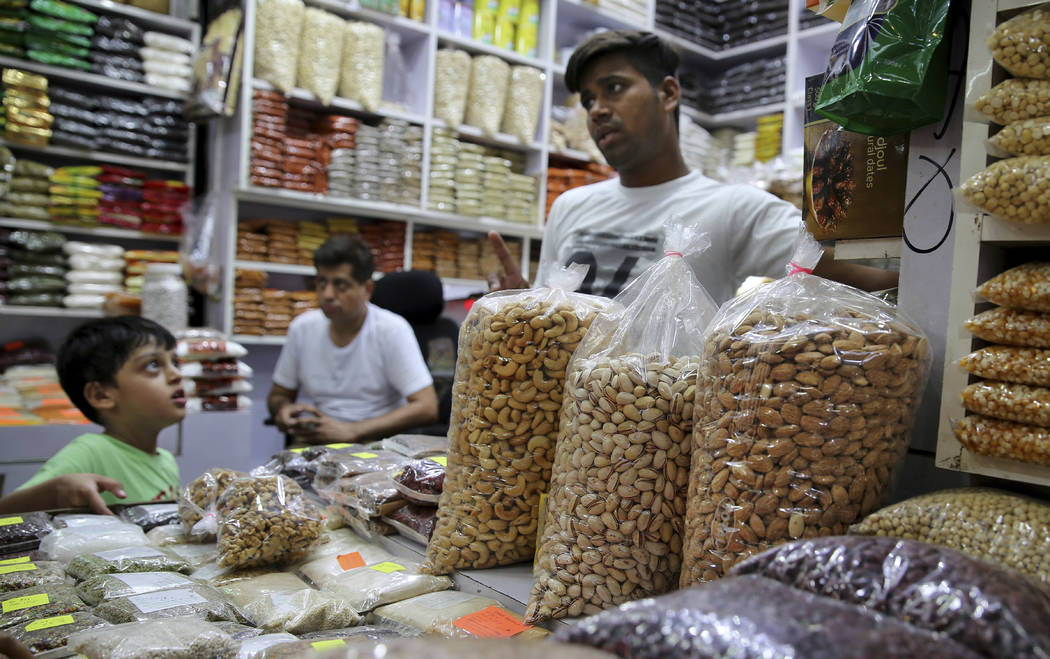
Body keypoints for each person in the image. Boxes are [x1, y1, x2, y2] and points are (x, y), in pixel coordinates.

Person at [488, 30, 897, 303]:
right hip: (576, 424)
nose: (597, 110)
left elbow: (868, 275)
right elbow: (552, 315)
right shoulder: (570, 206)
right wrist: (517, 302)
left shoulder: (735, 208)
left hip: (670, 422)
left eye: (614, 88)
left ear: (668, 94)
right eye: (588, 100)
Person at [0, 316, 185, 515]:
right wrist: (55, 490)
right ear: (101, 395)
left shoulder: (165, 460)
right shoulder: (91, 452)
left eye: (175, 362)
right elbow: (5, 514)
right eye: (153, 365)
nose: (176, 374)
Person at [267, 234, 438, 444]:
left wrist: (353, 431)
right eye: (321, 282)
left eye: (340, 285)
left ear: (366, 290)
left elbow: (426, 406)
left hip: (375, 445)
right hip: (318, 441)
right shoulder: (302, 329)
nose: (327, 294)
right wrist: (284, 410)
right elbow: (278, 395)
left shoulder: (391, 330)